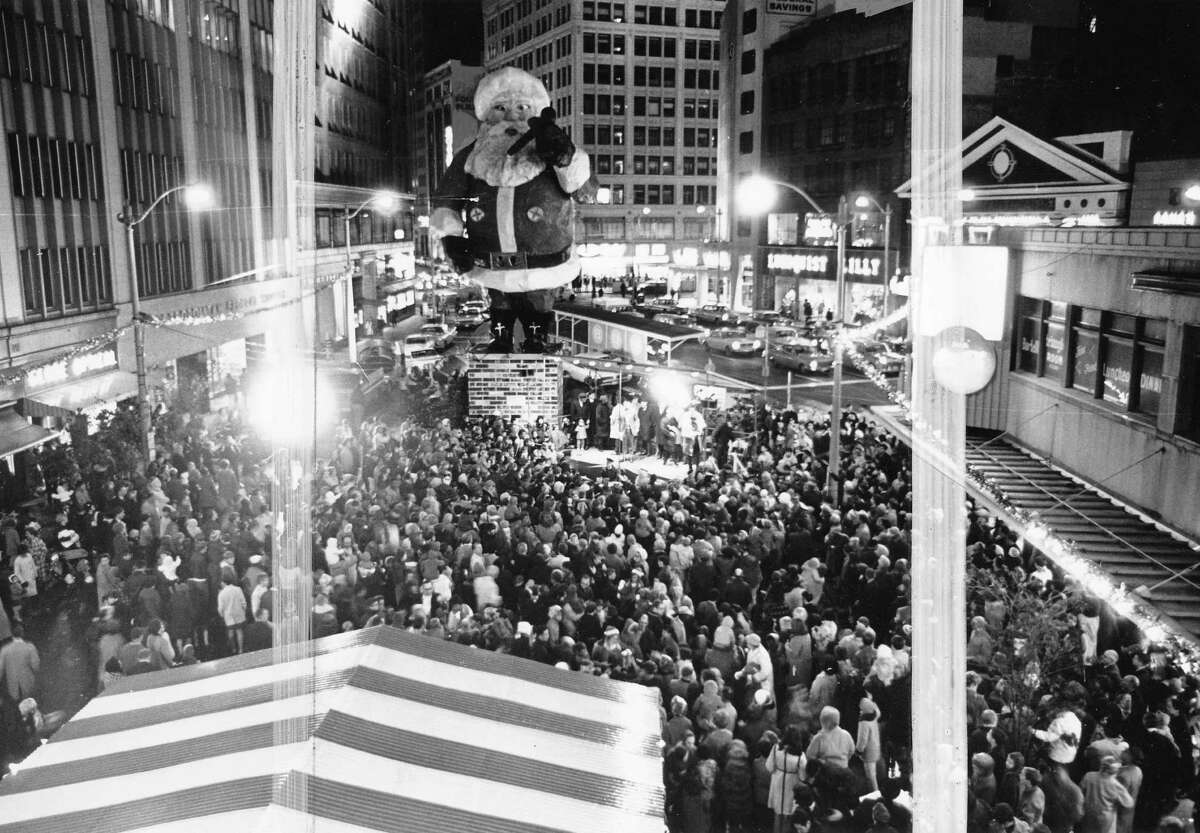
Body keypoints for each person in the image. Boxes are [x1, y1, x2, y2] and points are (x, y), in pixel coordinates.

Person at [430, 66, 592, 353]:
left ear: (536, 112)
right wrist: (451, 238)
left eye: (521, 108)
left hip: (544, 260)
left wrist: (566, 157)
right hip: (493, 260)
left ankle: (536, 339)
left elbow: (585, 190)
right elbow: (447, 198)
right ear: (486, 114)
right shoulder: (472, 156)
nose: (511, 116)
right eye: (501, 108)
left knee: (539, 304)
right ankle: (502, 338)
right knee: (500, 304)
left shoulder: (551, 149)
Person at [766, 725, 807, 833]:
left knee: (777, 815)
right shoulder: (800, 756)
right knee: (788, 818)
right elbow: (803, 777)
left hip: (778, 783)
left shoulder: (776, 748)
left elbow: (769, 767)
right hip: (791, 786)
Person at [1079, 755, 1134, 833]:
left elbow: (1080, 792)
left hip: (1089, 814)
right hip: (1105, 818)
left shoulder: (1088, 776)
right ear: (1115, 770)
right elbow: (1129, 803)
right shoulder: (1115, 785)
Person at [217, 574, 247, 655]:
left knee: (230, 633)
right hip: (239, 614)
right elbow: (243, 602)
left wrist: (222, 615)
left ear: (223, 582)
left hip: (229, 616)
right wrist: (243, 611)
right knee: (239, 631)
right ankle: (240, 649)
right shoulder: (238, 589)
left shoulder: (221, 593)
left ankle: (233, 649)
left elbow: (220, 608)